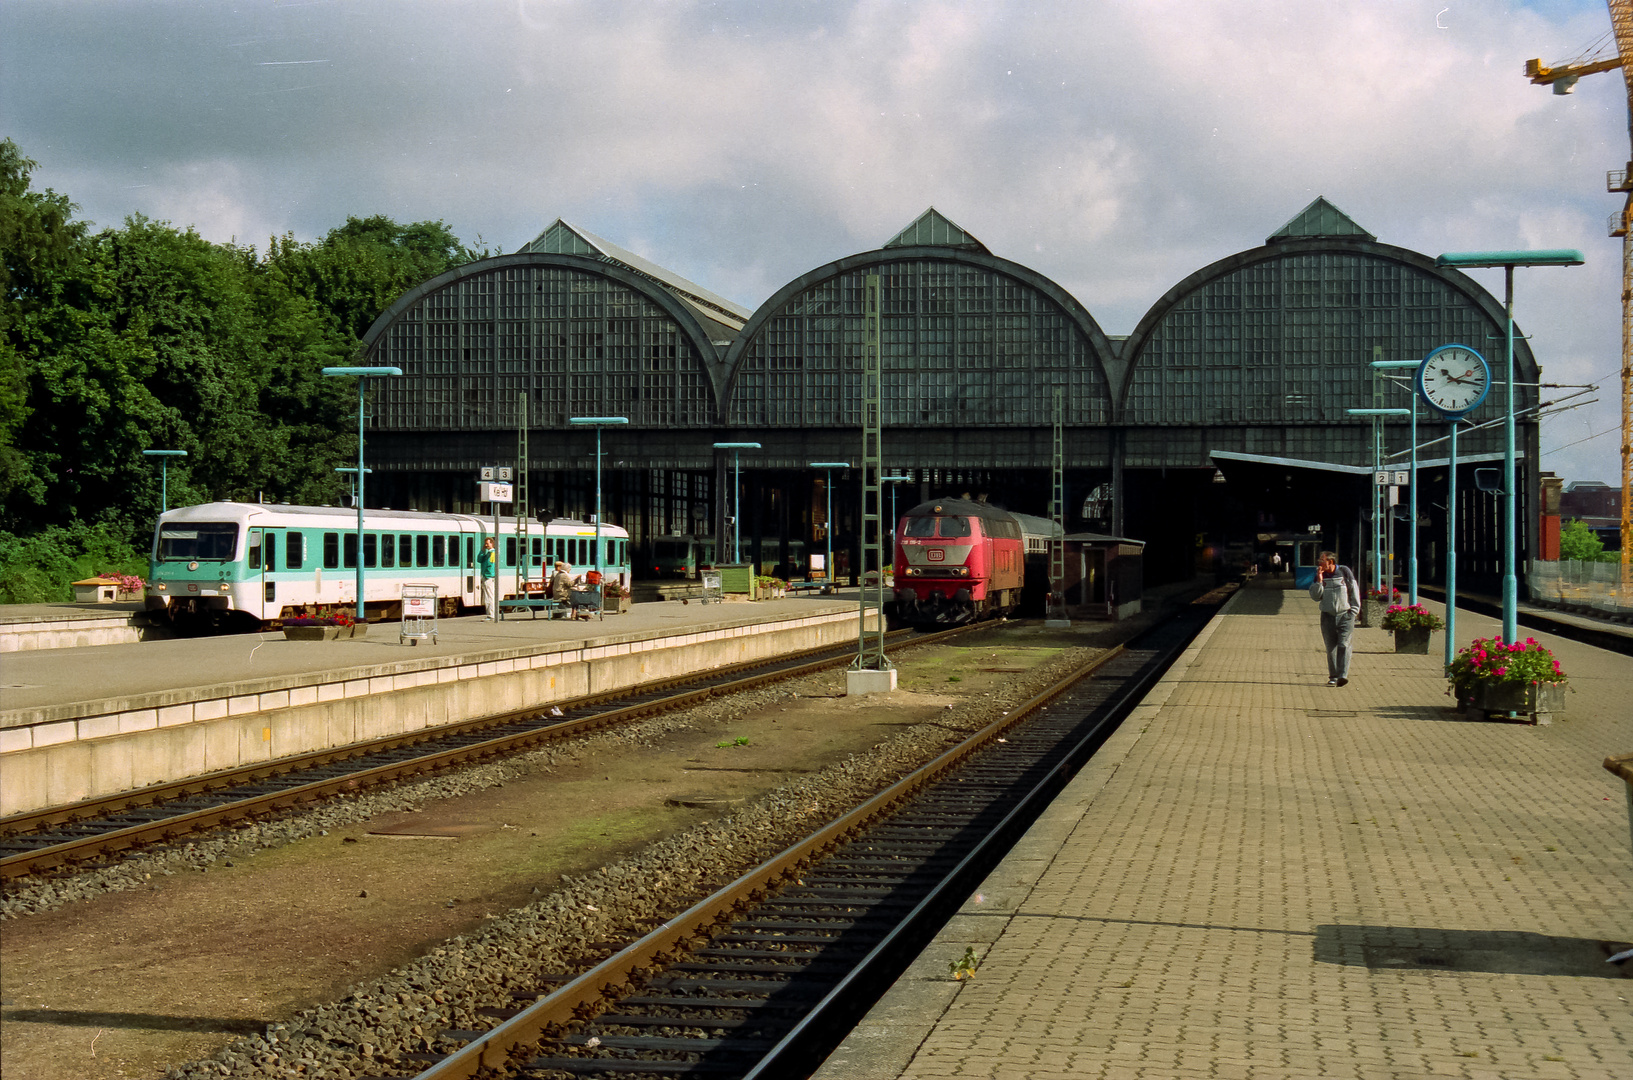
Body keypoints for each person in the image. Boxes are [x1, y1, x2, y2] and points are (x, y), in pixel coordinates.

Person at [1308, 549, 1361, 686]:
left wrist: (1353, 611)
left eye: (1321, 560)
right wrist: (1319, 582)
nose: (1319, 562)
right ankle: (1333, 676)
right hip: (1327, 616)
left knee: (1344, 644)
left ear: (1330, 561)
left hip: (1345, 615)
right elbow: (1315, 597)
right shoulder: (1319, 574)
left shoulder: (1344, 572)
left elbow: (1354, 590)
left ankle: (1342, 675)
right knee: (1330, 648)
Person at [479, 538, 497, 621]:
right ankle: (489, 614)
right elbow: (479, 560)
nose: (486, 545)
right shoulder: (487, 553)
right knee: (487, 596)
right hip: (486, 577)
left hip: (489, 577)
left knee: (489, 596)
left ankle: (491, 614)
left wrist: (487, 575)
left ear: (492, 544)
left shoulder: (492, 553)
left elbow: (491, 565)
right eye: (485, 544)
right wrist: (482, 551)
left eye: (487, 544)